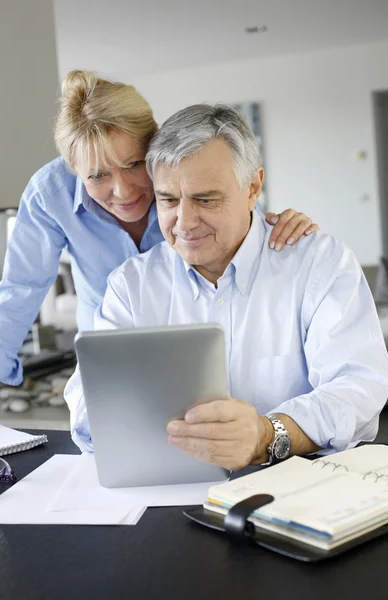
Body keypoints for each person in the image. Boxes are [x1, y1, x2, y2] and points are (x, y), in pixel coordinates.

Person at [65, 103, 388, 469]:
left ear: (253, 187)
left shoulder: (320, 264)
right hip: (169, 487)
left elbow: (357, 389)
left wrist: (267, 435)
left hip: (294, 489)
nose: (184, 222)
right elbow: (86, 399)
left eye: (206, 199)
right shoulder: (130, 285)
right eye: (168, 200)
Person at [0, 71, 318, 407]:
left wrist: (282, 226)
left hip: (200, 348)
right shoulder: (50, 194)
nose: (124, 190)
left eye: (134, 164)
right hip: (111, 358)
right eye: (98, 175)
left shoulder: (183, 178)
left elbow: (241, 227)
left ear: (155, 145)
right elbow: (19, 290)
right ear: (74, 169)